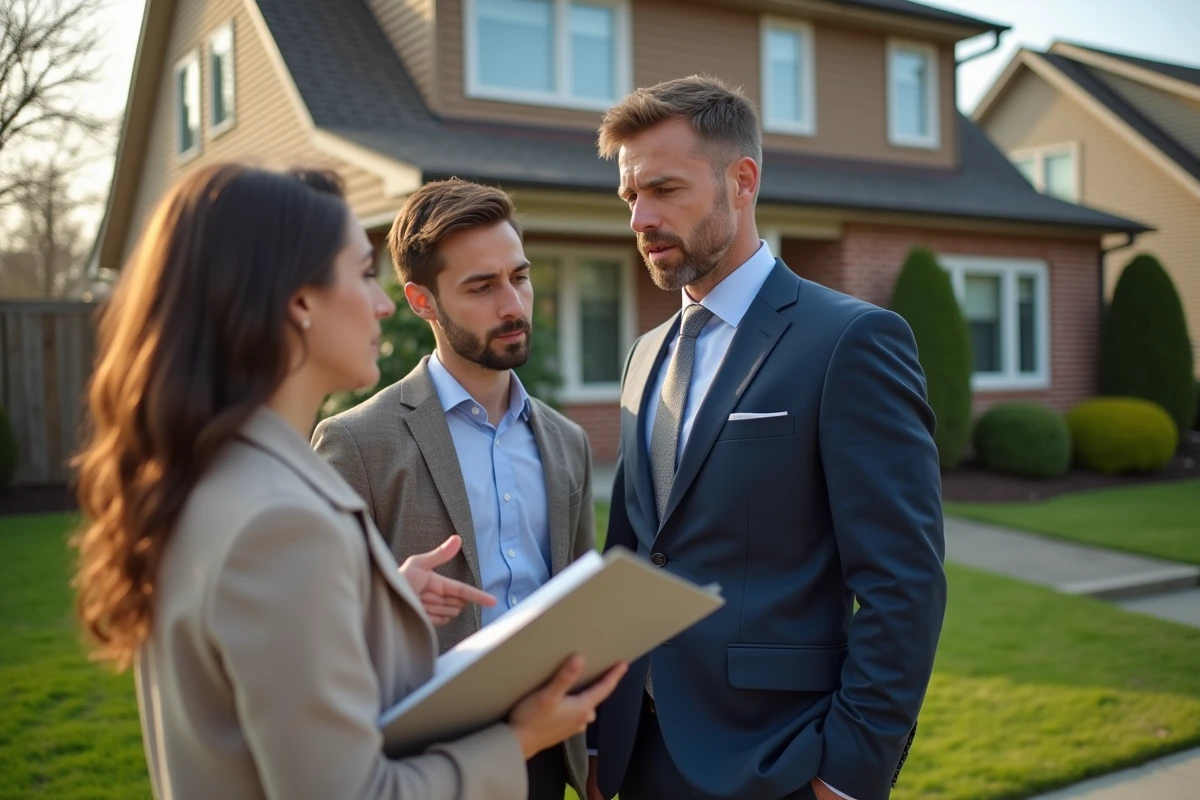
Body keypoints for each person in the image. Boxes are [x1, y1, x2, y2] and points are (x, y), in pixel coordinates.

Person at [69, 163, 625, 800]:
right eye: (364, 274)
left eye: (520, 277)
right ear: (298, 301)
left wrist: (380, 601)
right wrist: (518, 741)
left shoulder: (225, 480)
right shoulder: (279, 517)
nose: (384, 303)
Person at [584, 76, 946, 800]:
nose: (641, 218)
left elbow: (903, 583)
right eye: (631, 198)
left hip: (776, 760)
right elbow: (630, 555)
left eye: (664, 189)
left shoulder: (850, 340)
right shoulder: (645, 354)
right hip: (639, 758)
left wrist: (846, 773)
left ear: (741, 181)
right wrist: (600, 739)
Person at [312, 177, 595, 800]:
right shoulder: (357, 442)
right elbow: (316, 635)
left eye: (518, 277)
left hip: (548, 753)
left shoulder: (566, 441)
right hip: (422, 766)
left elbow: (580, 599)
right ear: (421, 301)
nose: (513, 304)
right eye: (481, 287)